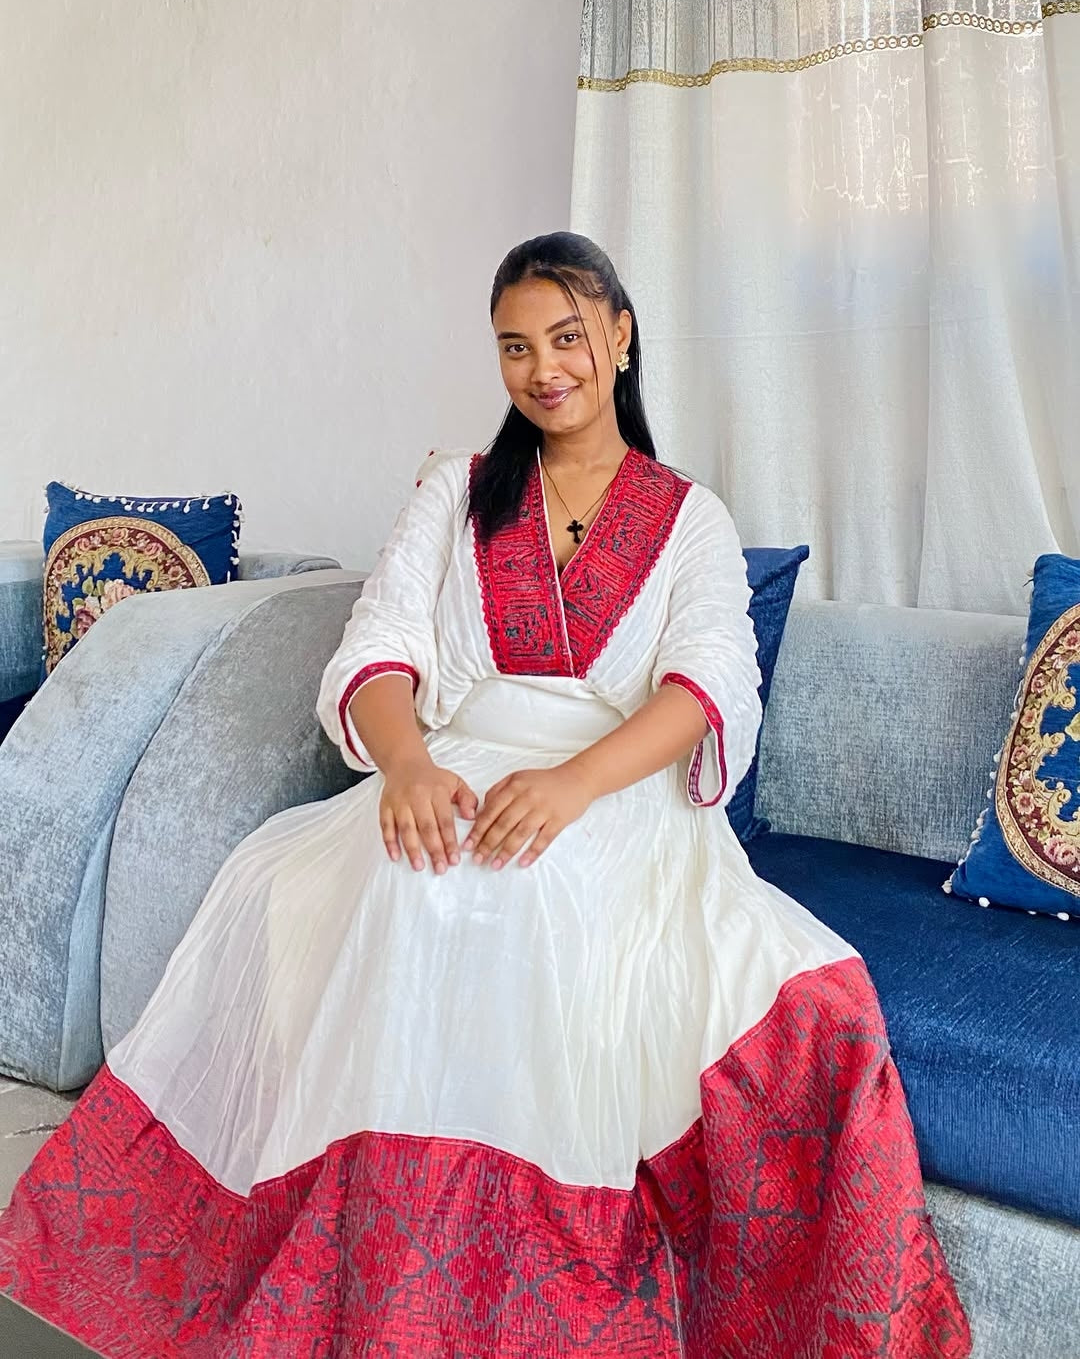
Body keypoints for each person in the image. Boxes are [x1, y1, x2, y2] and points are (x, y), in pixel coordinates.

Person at [0, 233, 970, 1358]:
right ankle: (390, 1307)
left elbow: (709, 687)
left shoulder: (689, 515)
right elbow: (378, 648)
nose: (543, 368)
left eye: (566, 337)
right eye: (516, 346)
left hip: (620, 798)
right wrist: (407, 767)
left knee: (573, 913)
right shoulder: (456, 491)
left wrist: (567, 787)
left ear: (619, 335)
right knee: (403, 889)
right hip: (448, 769)